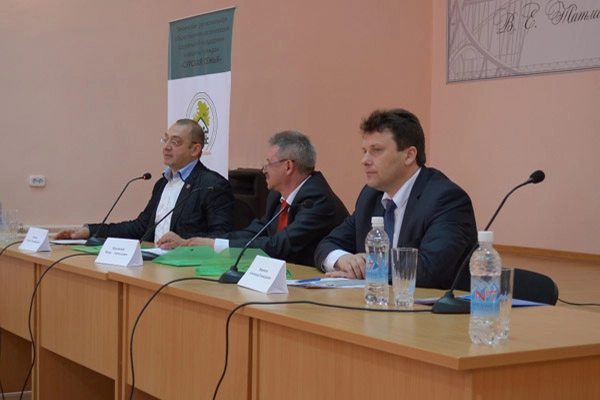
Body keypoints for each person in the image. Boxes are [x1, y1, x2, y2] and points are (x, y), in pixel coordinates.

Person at [314, 109, 477, 289]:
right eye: (365, 151)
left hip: (431, 304)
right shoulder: (370, 196)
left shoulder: (447, 200)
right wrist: (343, 259)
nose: (365, 160)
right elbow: (327, 244)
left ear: (409, 155)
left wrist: (368, 269)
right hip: (378, 300)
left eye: (376, 150)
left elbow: (429, 269)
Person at [157, 130, 349, 266]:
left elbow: (278, 246)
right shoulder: (277, 197)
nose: (264, 170)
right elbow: (253, 233)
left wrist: (213, 245)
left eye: (268, 164)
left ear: (288, 166)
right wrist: (191, 241)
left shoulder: (317, 200)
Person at [54, 119, 234, 243]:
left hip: (187, 270)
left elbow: (221, 237)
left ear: (195, 150)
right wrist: (89, 231)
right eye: (165, 139)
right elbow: (140, 227)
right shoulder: (162, 184)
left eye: (175, 142)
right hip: (153, 264)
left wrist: (184, 243)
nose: (166, 147)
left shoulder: (212, 185)